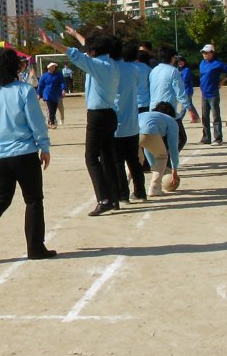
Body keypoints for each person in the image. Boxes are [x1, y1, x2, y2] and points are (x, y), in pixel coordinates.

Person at [0, 47, 56, 261]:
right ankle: (35, 247)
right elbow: (36, 122)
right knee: (33, 200)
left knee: (0, 200)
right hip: (24, 153)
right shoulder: (24, 90)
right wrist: (44, 146)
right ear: (14, 66)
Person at [58, 26, 122, 216]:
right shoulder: (110, 63)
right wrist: (75, 34)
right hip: (110, 114)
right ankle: (114, 197)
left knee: (91, 157)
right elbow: (88, 48)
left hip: (98, 116)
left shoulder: (97, 65)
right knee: (107, 157)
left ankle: (104, 199)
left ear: (93, 52)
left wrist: (52, 43)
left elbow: (76, 55)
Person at [115, 43, 145, 202]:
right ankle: (140, 192)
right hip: (133, 122)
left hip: (118, 123)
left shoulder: (113, 68)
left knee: (118, 161)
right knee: (133, 160)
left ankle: (123, 194)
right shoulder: (134, 69)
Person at [149, 46, 190, 151]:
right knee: (181, 138)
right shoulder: (173, 71)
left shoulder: (153, 71)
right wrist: (189, 108)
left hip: (153, 109)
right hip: (168, 111)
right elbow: (180, 93)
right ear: (172, 58)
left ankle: (164, 161)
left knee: (161, 139)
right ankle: (167, 161)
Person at [138, 102, 181, 197]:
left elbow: (147, 148)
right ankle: (155, 187)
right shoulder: (171, 121)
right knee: (162, 156)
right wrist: (174, 169)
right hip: (148, 130)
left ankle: (124, 191)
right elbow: (173, 146)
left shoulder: (147, 114)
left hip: (132, 132)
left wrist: (154, 166)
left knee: (135, 160)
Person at [198, 44, 227, 145]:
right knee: (204, 117)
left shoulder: (217, 64)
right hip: (204, 93)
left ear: (212, 53)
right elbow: (202, 75)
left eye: (207, 52)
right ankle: (206, 137)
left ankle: (218, 138)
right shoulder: (202, 63)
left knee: (215, 116)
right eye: (203, 53)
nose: (205, 54)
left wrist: (223, 81)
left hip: (213, 93)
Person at [37, 62, 65, 128]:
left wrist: (63, 89)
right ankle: (51, 123)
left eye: (54, 67)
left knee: (54, 109)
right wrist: (38, 93)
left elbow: (62, 82)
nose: (53, 68)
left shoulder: (58, 75)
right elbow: (40, 86)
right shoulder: (44, 76)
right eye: (52, 67)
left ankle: (52, 122)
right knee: (49, 110)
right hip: (47, 95)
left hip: (56, 95)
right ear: (48, 68)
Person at [177, 56, 200, 123]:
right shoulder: (178, 70)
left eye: (181, 61)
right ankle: (196, 118)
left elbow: (185, 81)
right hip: (183, 90)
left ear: (184, 62)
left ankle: (180, 119)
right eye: (179, 61)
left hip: (187, 90)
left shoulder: (186, 70)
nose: (180, 62)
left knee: (185, 105)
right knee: (189, 104)